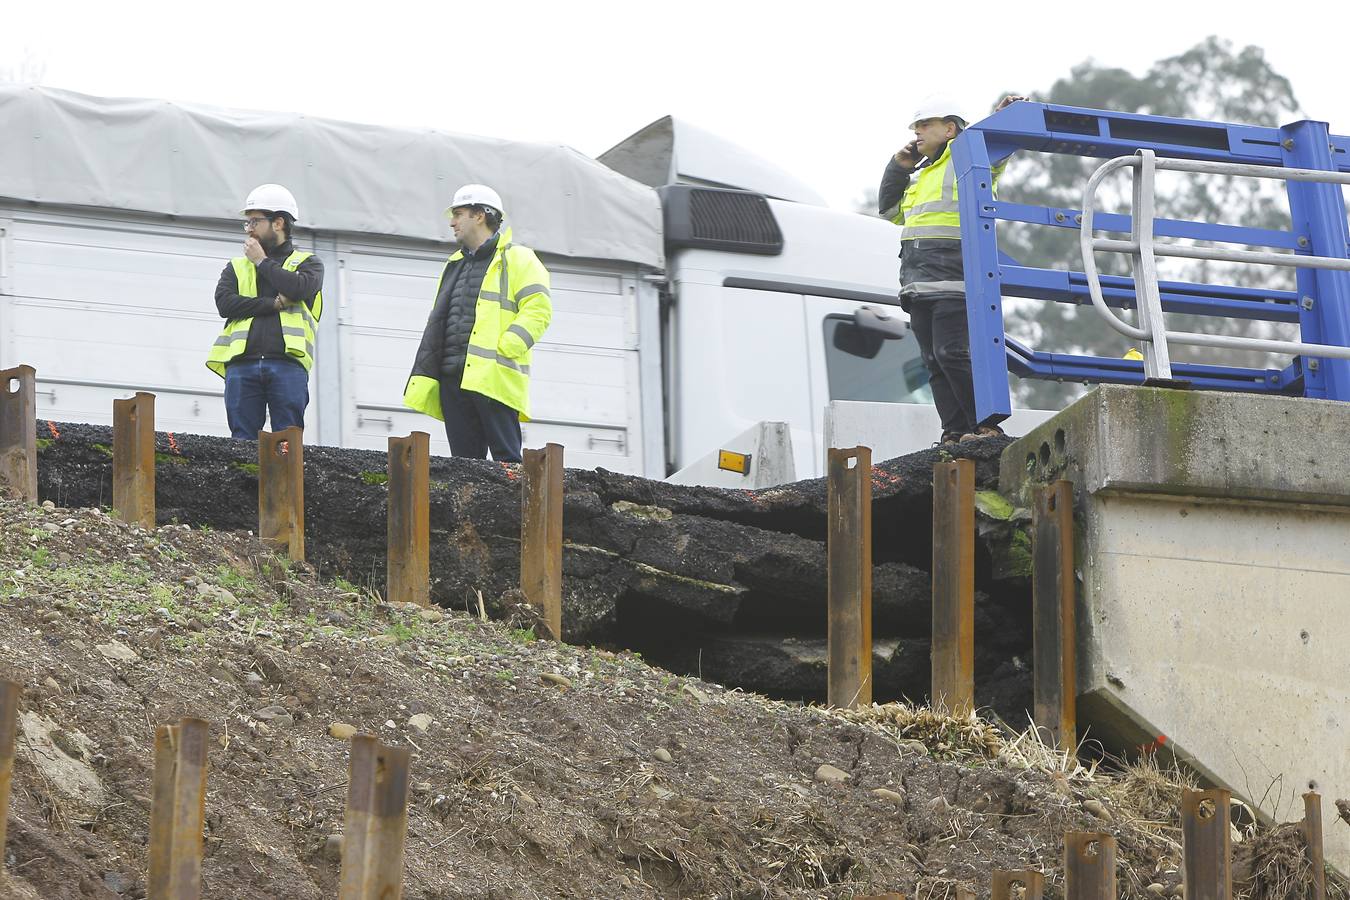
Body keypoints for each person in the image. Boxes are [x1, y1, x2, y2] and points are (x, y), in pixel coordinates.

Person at [879, 94, 1024, 444]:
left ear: (949, 128)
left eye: (924, 125)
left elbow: (997, 146)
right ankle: (955, 432)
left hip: (954, 278)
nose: (917, 134)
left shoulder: (969, 156)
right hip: (917, 284)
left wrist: (1002, 117)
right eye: (916, 128)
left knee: (952, 353)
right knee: (934, 362)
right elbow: (888, 212)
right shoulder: (921, 175)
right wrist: (897, 167)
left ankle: (987, 425)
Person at [403, 184, 552, 462]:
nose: (452, 222)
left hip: (493, 378)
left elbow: (539, 308)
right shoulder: (453, 264)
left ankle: (511, 508)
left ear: (480, 215)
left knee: (506, 463)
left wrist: (508, 346)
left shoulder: (518, 258)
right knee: (464, 468)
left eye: (458, 214)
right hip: (453, 380)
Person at [206, 184, 325, 440]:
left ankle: (285, 482)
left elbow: (299, 287)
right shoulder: (236, 266)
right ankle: (246, 482)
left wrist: (261, 261)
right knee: (241, 443)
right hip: (242, 364)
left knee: (287, 441)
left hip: (287, 364)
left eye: (255, 221)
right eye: (247, 223)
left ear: (278, 223)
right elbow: (225, 304)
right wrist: (272, 304)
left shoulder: (308, 263)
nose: (249, 229)